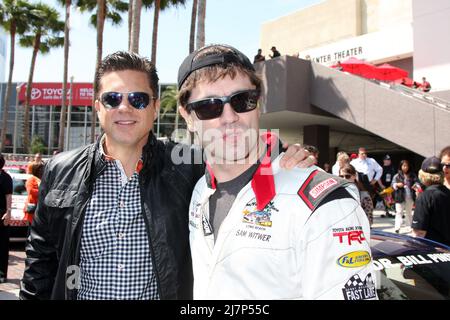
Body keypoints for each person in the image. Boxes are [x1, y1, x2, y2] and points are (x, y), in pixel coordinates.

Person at [20, 51, 312, 300]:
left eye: (138, 99)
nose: (125, 107)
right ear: (98, 107)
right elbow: (40, 260)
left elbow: (238, 157)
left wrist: (284, 158)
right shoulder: (60, 170)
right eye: (112, 99)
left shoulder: (187, 166)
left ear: (156, 107)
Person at [178, 44, 377, 300]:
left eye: (242, 101)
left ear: (258, 104)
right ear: (188, 116)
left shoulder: (325, 204)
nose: (229, 116)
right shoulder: (200, 192)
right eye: (209, 106)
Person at [411, 156, 450, 246]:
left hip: (432, 251)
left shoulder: (424, 197)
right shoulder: (447, 192)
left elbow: (419, 233)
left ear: (422, 175)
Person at [392, 160, 418, 233]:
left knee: (409, 212)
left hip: (410, 196)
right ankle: (397, 227)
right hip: (400, 196)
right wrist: (397, 185)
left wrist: (415, 185)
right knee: (399, 212)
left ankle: (408, 226)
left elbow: (417, 182)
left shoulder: (412, 175)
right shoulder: (397, 176)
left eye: (407, 166)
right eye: (404, 166)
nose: (405, 167)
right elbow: (392, 184)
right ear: (400, 166)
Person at [0, 154, 13, 283]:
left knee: (2, 245)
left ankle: (2, 274)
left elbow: (8, 196)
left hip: (2, 215)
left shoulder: (6, 178)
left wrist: (8, 213)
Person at [23, 161, 44, 226]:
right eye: (41, 169)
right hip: (33, 209)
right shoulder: (31, 180)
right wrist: (44, 192)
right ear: (36, 170)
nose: (43, 170)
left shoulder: (44, 179)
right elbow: (31, 191)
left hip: (41, 209)